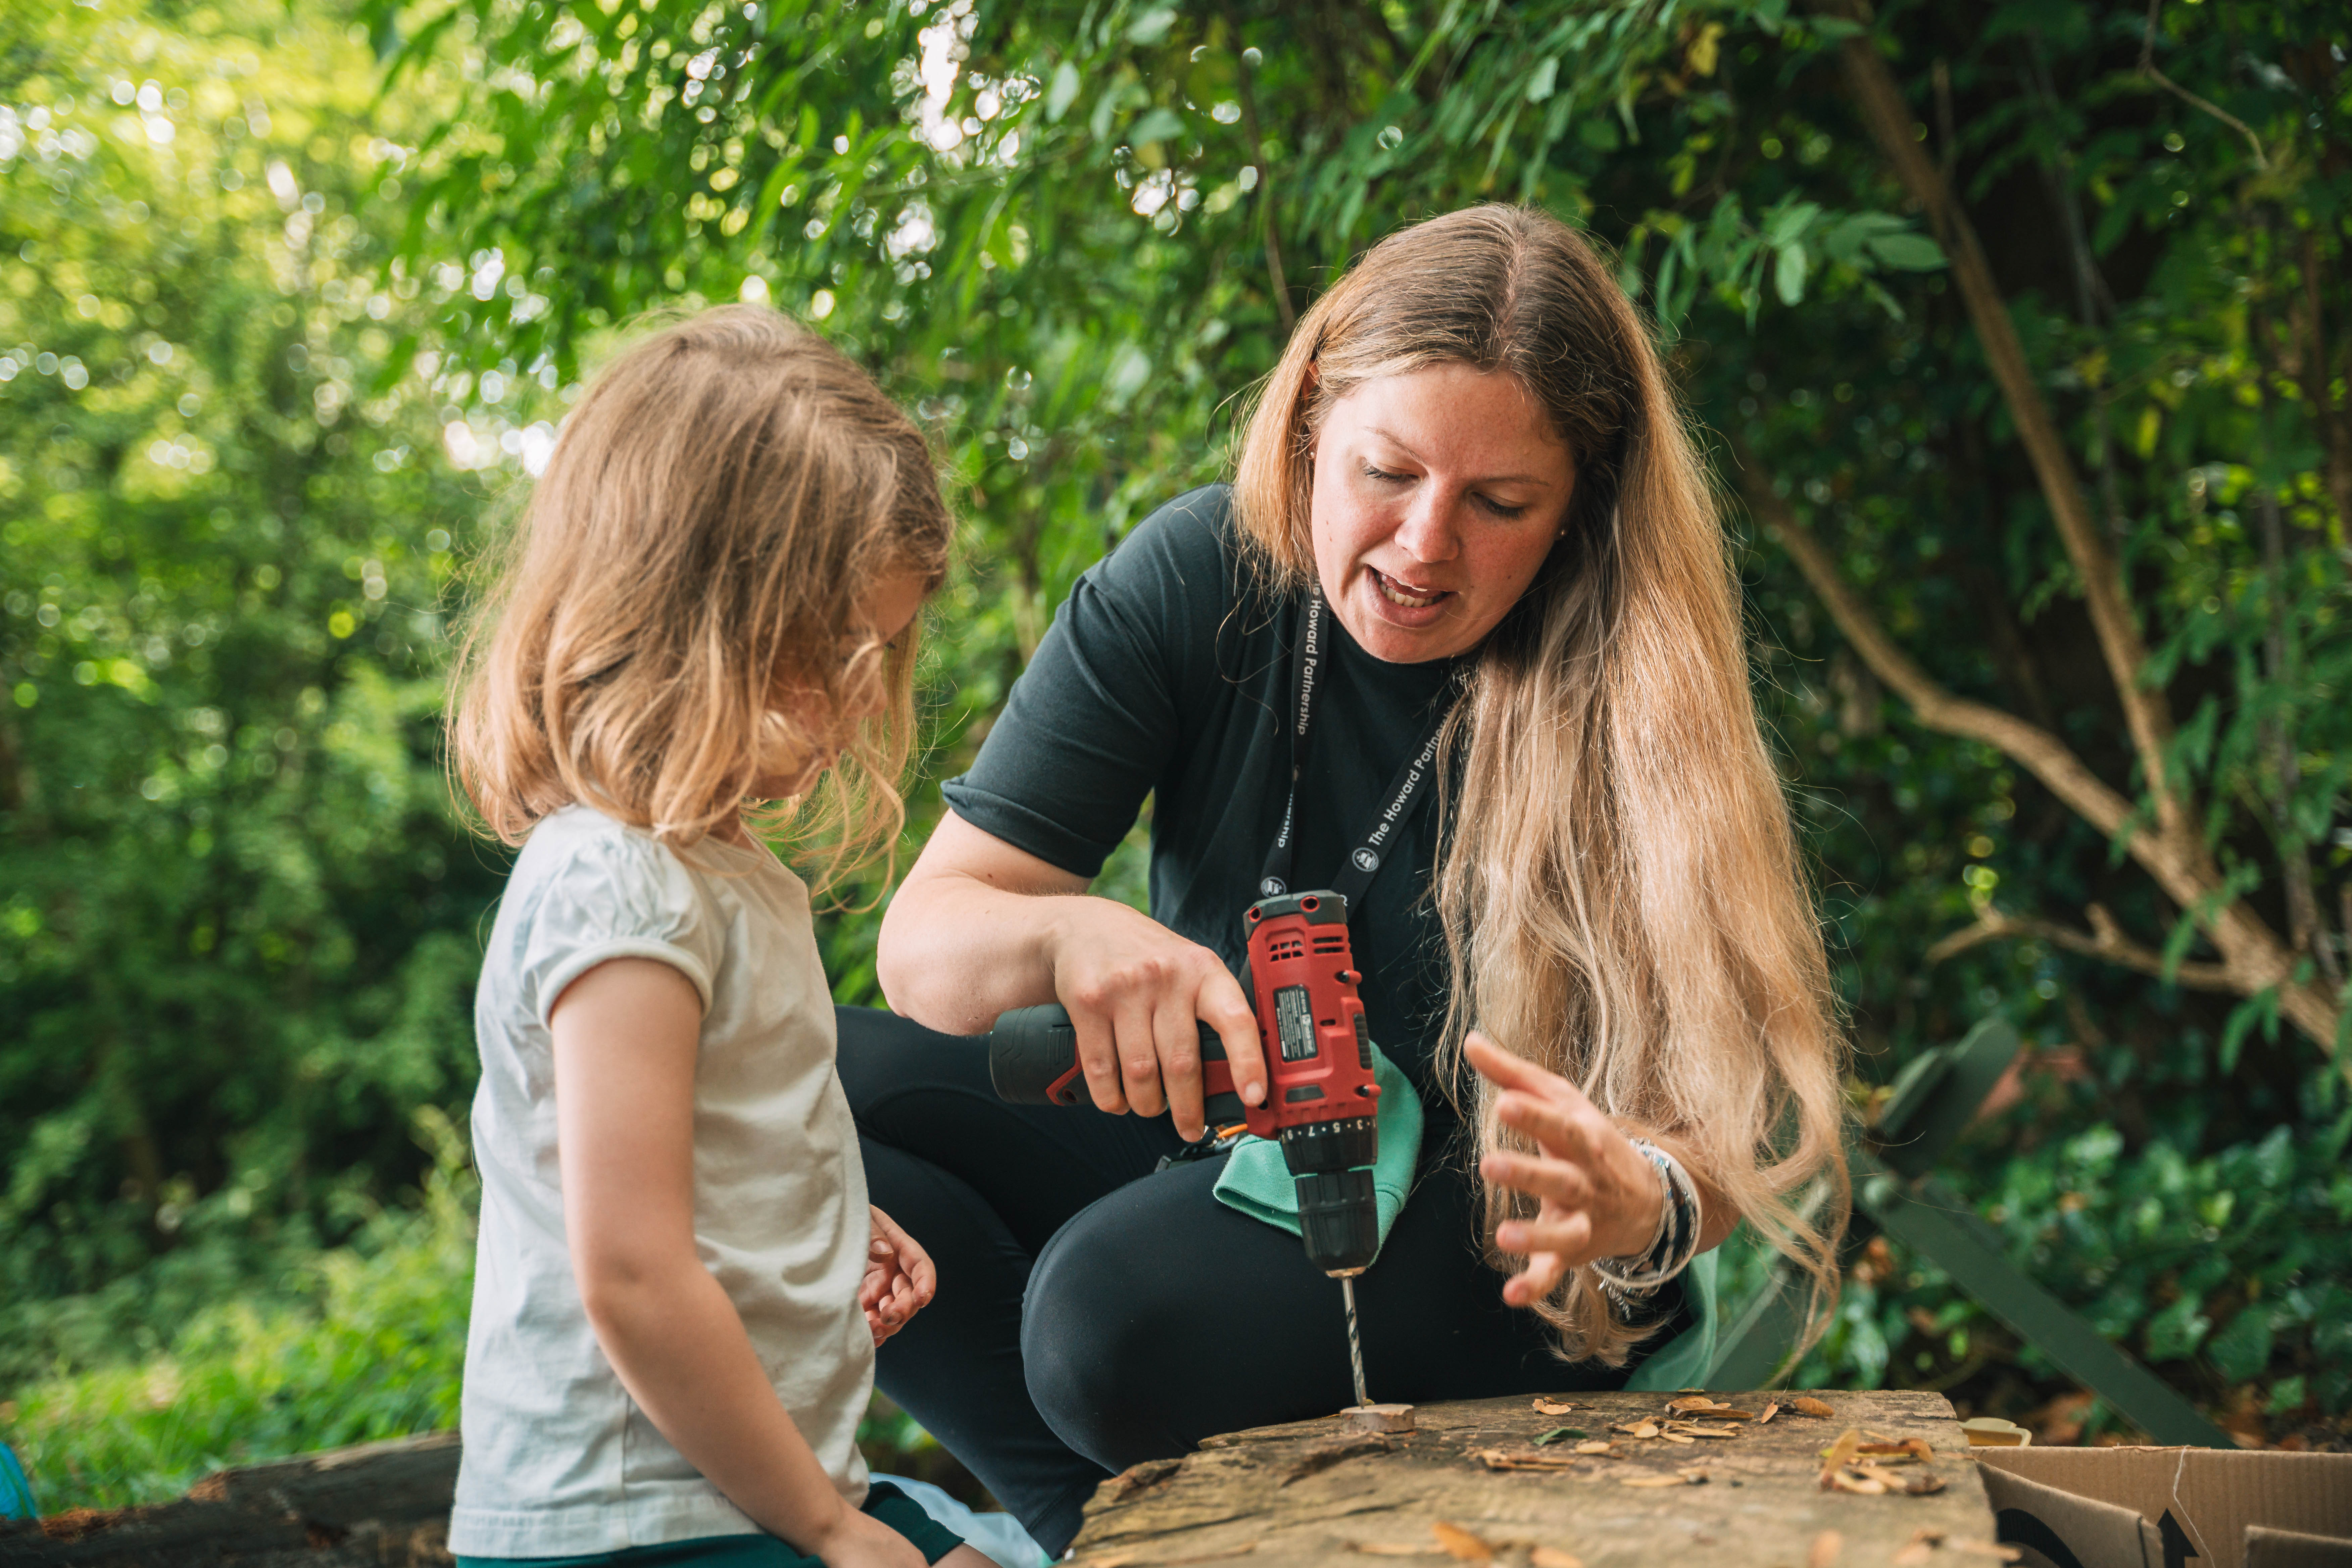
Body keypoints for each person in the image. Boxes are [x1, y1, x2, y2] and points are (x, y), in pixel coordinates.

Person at [846, 204, 1850, 1555]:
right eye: (1388, 471)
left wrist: (1642, 1200)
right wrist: (1077, 941)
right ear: (1312, 417)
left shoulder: (1630, 680)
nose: (1426, 545)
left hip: (1494, 1227)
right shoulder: (1198, 575)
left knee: (1102, 1323)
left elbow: (1734, 1119)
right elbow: (928, 945)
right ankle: (1103, 1537)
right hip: (1233, 1143)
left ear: (1579, 512)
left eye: (1500, 505)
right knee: (784, 1096)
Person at [443, 306, 995, 1568]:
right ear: (694, 616)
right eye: (823, 664)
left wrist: (832, 1208)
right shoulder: (618, 886)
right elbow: (631, 1268)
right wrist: (823, 1528)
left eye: (877, 663)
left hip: (757, 1487)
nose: (852, 710)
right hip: (631, 1516)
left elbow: (715, 1145)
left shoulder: (719, 869)